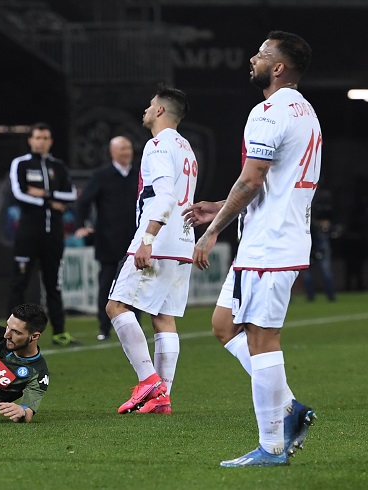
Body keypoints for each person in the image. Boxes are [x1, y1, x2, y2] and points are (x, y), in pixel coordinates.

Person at [182, 31, 319, 467]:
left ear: (277, 67)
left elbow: (253, 178)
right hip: (271, 239)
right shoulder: (306, 111)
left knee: (262, 338)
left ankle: (272, 446)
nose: (252, 58)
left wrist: (213, 229)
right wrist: (221, 206)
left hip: (271, 244)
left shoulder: (267, 111)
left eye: (261, 54)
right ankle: (290, 407)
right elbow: (270, 183)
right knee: (224, 324)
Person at [106, 86, 197, 416]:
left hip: (157, 240)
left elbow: (165, 197)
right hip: (183, 242)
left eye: (149, 105)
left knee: (116, 306)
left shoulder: (157, 146)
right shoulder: (187, 149)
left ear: (160, 111)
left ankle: (149, 382)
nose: (145, 109)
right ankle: (163, 396)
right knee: (163, 318)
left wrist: (147, 238)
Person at [7, 123, 78, 346]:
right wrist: (51, 202)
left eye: (45, 137)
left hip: (53, 235)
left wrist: (45, 194)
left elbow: (72, 194)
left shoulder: (59, 166)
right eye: (37, 137)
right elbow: (19, 193)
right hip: (28, 233)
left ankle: (59, 332)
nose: (41, 141)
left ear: (51, 141)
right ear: (30, 140)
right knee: (20, 282)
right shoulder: (21, 163)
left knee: (53, 284)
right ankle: (10, 334)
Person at [74, 136, 140, 341]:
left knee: (135, 287)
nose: (126, 152)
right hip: (108, 242)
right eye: (121, 149)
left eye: (128, 148)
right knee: (107, 286)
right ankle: (105, 327)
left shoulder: (140, 174)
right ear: (112, 152)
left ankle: (134, 327)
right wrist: (81, 225)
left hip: (135, 241)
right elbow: (83, 202)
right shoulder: (102, 175)